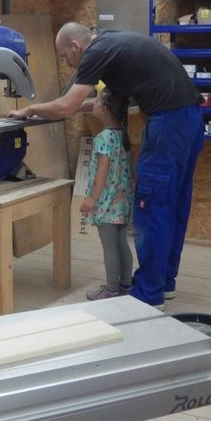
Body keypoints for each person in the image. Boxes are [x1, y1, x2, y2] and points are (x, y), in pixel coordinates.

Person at [6, 21, 204, 310]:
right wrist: (61, 109)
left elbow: (66, 106)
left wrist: (31, 109)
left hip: (168, 125)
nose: (67, 64)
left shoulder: (95, 52)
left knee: (152, 207)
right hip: (189, 119)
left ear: (76, 46)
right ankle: (164, 282)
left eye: (65, 56)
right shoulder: (110, 42)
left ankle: (149, 294)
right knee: (172, 206)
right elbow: (92, 104)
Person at [80, 88, 134, 300]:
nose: (92, 103)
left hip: (106, 203)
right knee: (121, 243)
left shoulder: (103, 137)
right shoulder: (122, 134)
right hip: (122, 202)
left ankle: (111, 290)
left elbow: (103, 169)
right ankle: (125, 284)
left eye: (96, 100)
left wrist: (92, 198)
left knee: (109, 248)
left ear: (104, 110)